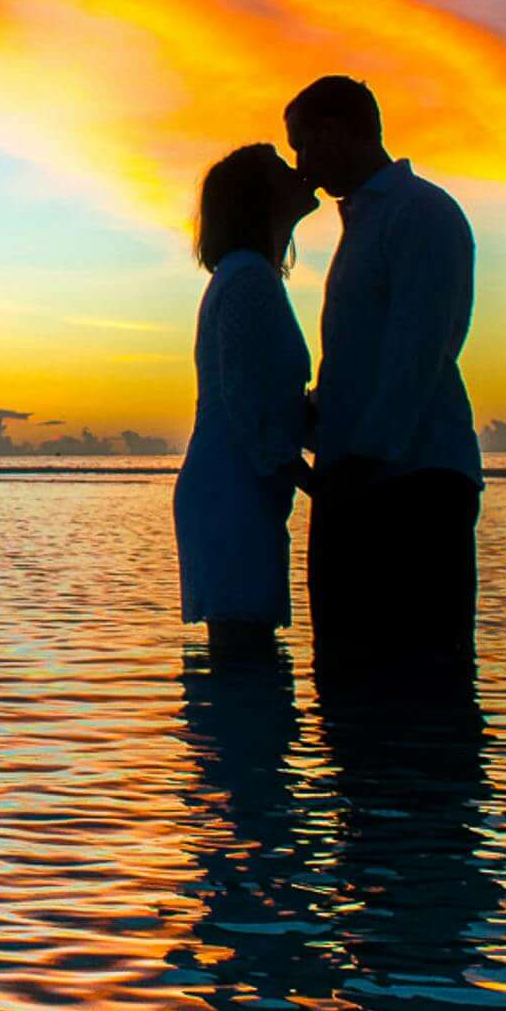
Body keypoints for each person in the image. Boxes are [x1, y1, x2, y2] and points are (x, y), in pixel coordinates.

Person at [285, 75, 482, 686]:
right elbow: (367, 361)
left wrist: (359, 461)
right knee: (349, 682)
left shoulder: (419, 214)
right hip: (364, 478)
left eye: (303, 147)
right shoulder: (368, 223)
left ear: (334, 131)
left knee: (421, 678)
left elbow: (418, 353)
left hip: (410, 485)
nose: (303, 167)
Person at [175, 142, 317, 664]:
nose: (299, 172)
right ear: (260, 197)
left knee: (243, 667)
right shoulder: (248, 279)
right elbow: (247, 398)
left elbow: (262, 395)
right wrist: (314, 479)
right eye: (282, 167)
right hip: (233, 492)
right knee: (244, 669)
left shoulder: (247, 276)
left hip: (237, 488)